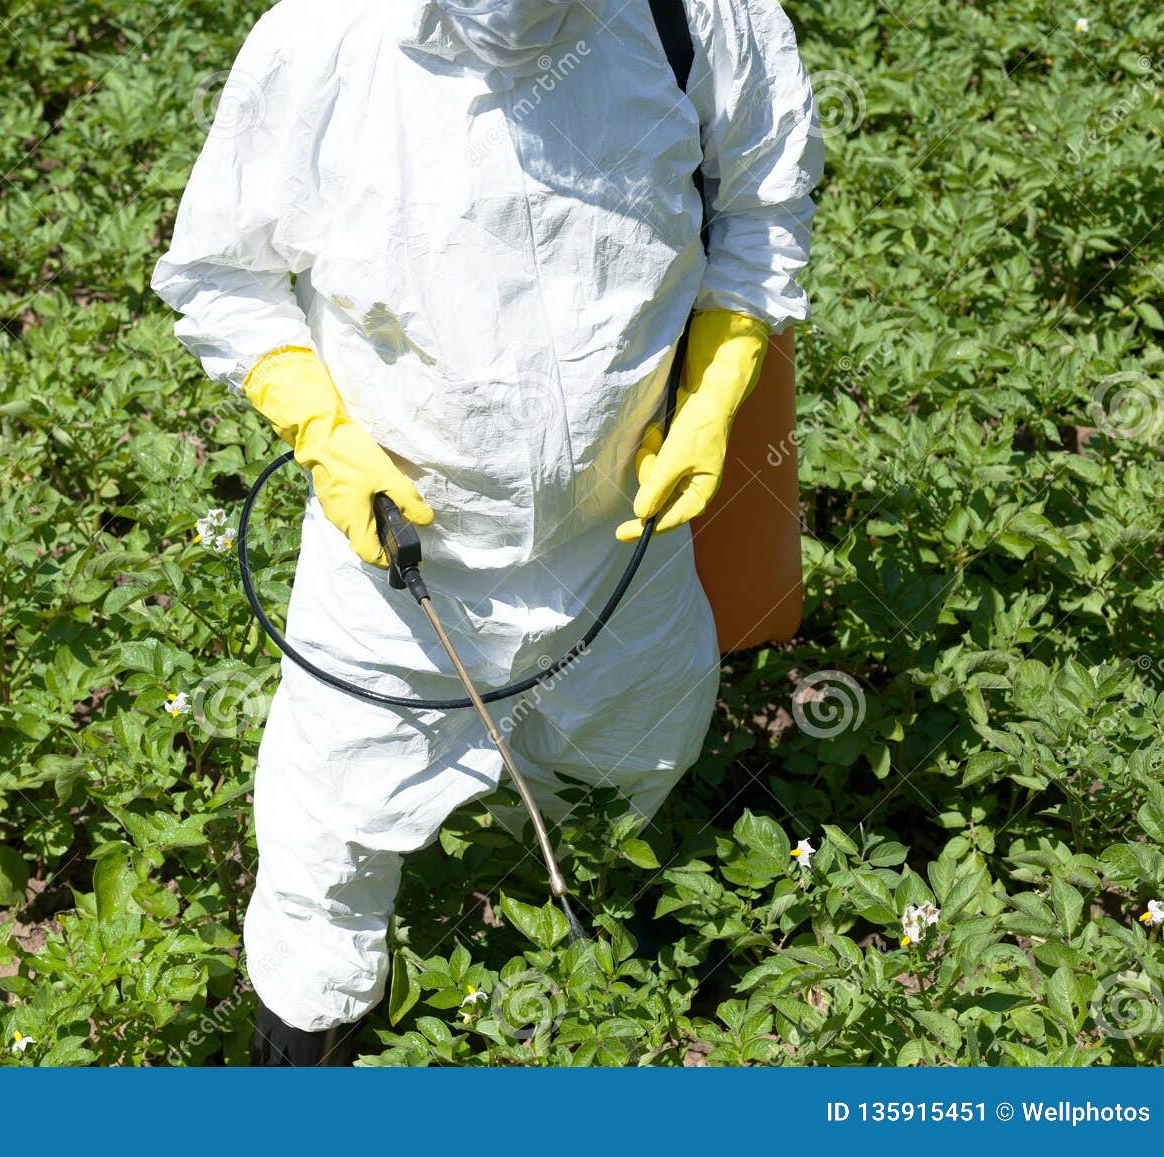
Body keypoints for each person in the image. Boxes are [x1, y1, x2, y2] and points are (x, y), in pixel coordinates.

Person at [152, 0, 822, 1066]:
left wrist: (720, 381)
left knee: (627, 771)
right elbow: (222, 273)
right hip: (398, 564)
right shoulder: (318, 40)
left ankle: (600, 978)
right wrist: (318, 426)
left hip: (621, 535)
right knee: (329, 842)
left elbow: (762, 203)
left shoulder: (695, 20)